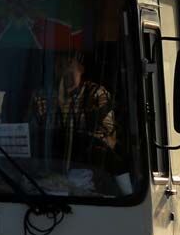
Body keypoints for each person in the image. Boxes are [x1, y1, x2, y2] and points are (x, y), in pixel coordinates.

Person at [29, 51, 129, 194]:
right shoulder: (41, 96)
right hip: (48, 177)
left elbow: (107, 140)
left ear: (81, 68)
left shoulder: (96, 94)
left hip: (90, 177)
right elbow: (32, 137)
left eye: (69, 64)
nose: (64, 69)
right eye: (59, 64)